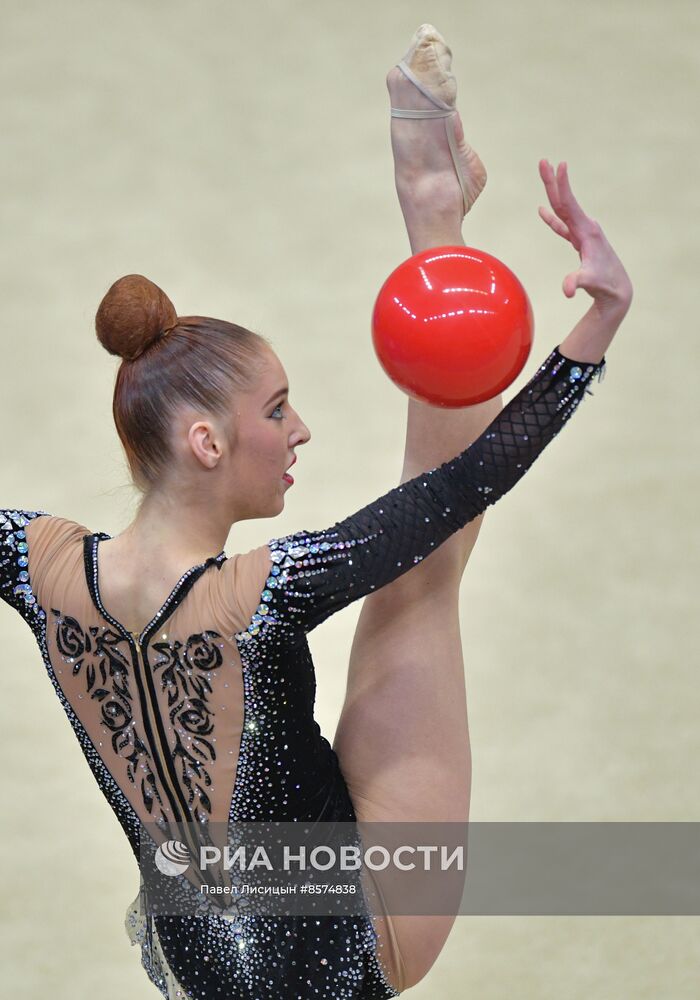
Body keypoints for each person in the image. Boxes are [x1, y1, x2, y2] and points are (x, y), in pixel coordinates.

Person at [0, 23, 631, 1000]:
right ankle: (434, 222)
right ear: (206, 442)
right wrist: (593, 330)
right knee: (423, 570)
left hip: (199, 964)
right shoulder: (254, 593)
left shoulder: (40, 566)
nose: (300, 432)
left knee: (422, 554)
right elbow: (459, 489)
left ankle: (434, 216)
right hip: (355, 937)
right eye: (277, 410)